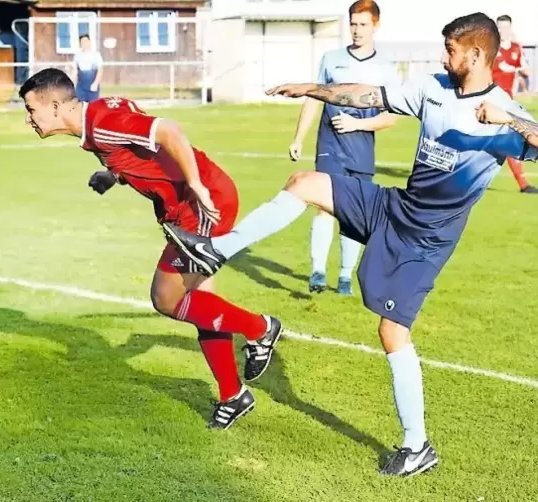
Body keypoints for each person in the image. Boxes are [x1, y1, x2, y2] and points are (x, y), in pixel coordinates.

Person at [161, 13, 538, 475]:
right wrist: (311, 89)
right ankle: (216, 250)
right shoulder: (433, 87)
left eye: (452, 51)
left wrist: (512, 122)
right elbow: (367, 95)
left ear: (476, 55)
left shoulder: (504, 112)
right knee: (303, 182)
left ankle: (417, 446)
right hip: (393, 206)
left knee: (392, 333)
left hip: (427, 240)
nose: (445, 57)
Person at [18, 69, 283, 429]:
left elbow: (169, 131)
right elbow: (138, 135)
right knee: (202, 303)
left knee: (166, 297)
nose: (28, 119)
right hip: (184, 211)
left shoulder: (102, 122)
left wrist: (196, 185)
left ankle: (260, 328)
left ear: (53, 106)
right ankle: (232, 395)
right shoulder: (98, 119)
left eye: (31, 110)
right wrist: (112, 175)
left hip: (202, 205)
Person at [290, 0, 399, 295]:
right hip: (330, 146)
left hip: (362, 150)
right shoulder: (331, 58)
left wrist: (358, 125)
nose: (356, 30)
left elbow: (391, 118)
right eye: (352, 23)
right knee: (324, 207)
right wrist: (299, 138)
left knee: (354, 214)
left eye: (363, 24)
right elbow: (314, 98)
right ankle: (316, 272)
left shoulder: (386, 69)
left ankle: (345, 277)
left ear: (375, 25)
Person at [492, 14, 537, 193]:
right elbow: (496, 68)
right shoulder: (492, 48)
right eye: (499, 27)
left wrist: (521, 69)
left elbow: (526, 69)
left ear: (510, 29)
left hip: (508, 102)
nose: (502, 31)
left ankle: (523, 185)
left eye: (505, 27)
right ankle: (523, 185)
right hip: (492, 102)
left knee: (510, 140)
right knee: (511, 139)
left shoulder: (517, 49)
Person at [71, 34, 103, 103]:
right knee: (78, 106)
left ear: (89, 42)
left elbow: (100, 70)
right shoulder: (77, 56)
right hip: (81, 86)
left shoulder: (96, 55)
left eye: (86, 41)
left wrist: (96, 83)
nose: (84, 43)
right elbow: (75, 71)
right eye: (82, 42)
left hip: (92, 84)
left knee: (93, 107)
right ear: (80, 44)